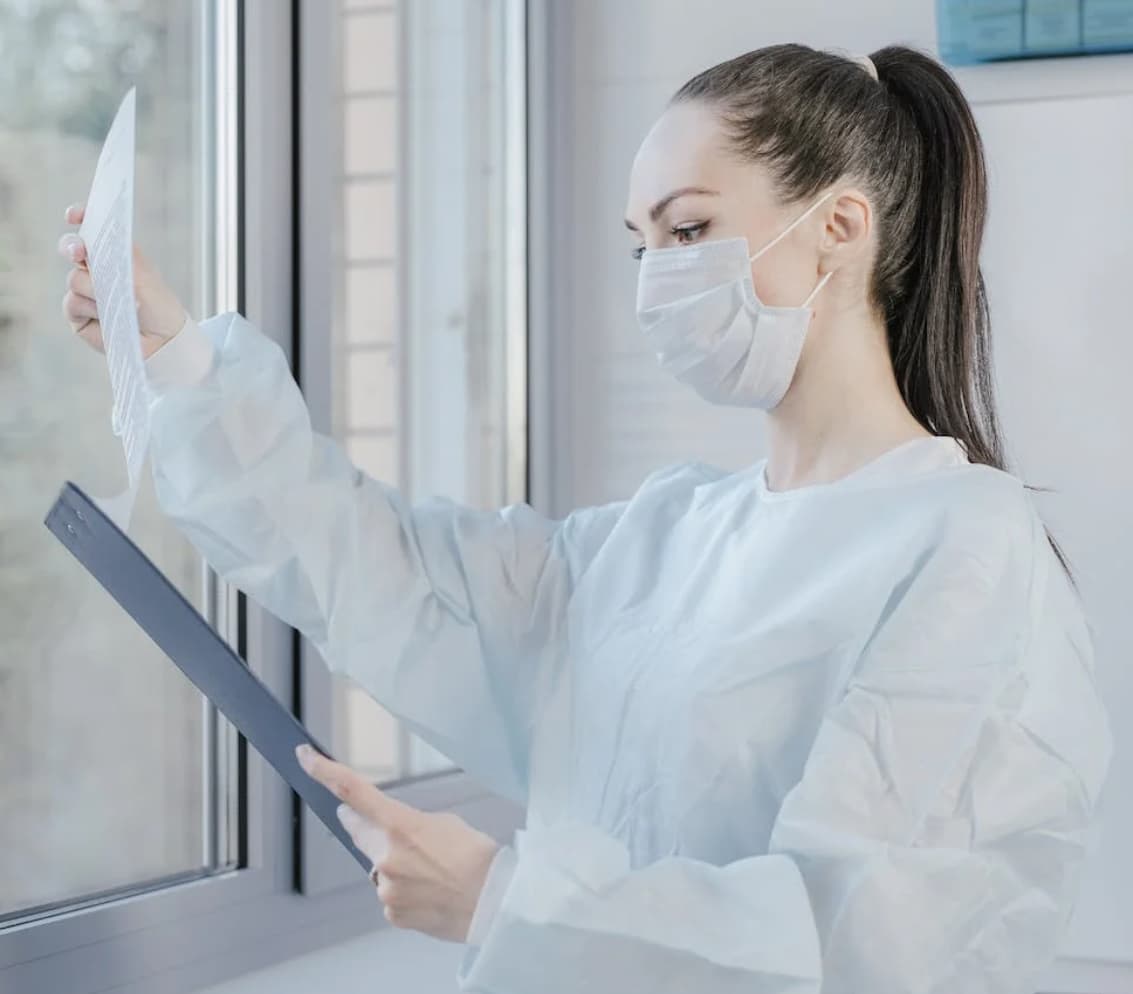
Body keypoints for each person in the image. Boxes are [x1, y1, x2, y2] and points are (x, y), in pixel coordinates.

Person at [59, 43, 1111, 994]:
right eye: (639, 243)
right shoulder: (666, 536)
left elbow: (870, 946)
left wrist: (500, 901)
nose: (656, 278)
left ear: (837, 227)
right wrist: (179, 359)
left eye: (689, 229)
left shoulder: (963, 549)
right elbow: (386, 573)